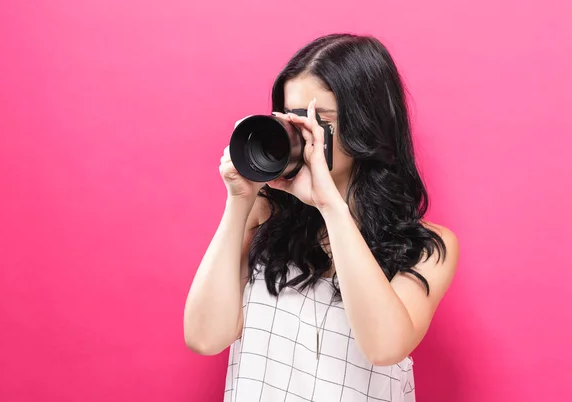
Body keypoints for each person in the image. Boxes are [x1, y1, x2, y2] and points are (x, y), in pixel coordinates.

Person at [184, 33, 459, 402]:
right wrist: (239, 201)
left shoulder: (425, 247)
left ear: (366, 124)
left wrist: (330, 204)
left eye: (319, 121)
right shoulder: (265, 217)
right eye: (293, 119)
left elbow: (384, 347)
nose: (304, 134)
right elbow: (205, 337)